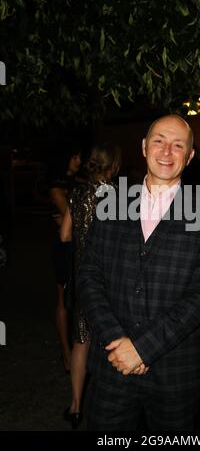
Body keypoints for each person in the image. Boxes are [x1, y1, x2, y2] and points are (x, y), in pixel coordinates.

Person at [78, 114, 200, 431]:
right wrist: (117, 341)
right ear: (144, 147)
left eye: (177, 145)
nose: (166, 152)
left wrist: (143, 349)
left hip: (175, 373)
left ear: (190, 155)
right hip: (111, 363)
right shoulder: (110, 202)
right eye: (158, 141)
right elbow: (89, 275)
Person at [60, 143, 121, 429]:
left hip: (83, 278)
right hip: (109, 280)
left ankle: (74, 406)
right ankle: (108, 403)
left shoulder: (78, 192)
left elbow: (64, 235)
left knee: (80, 341)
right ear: (113, 165)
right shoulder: (117, 196)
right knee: (110, 339)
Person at [49, 146, 81, 372]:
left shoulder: (78, 182)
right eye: (75, 156)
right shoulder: (57, 186)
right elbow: (71, 220)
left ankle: (80, 348)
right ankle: (66, 351)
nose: (79, 161)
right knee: (63, 298)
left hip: (79, 245)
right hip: (63, 246)